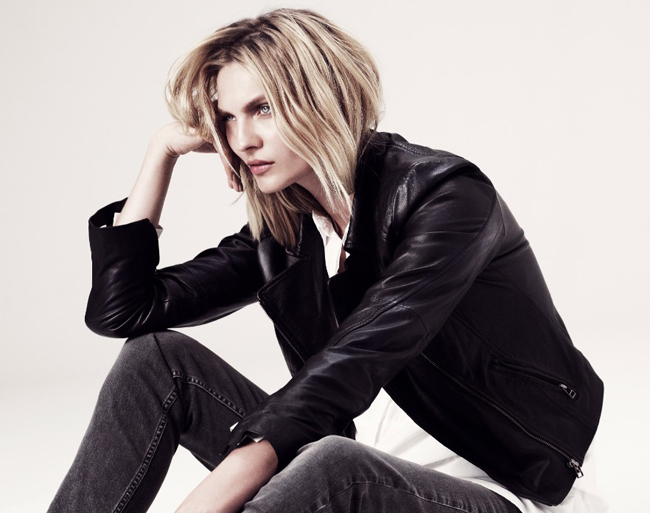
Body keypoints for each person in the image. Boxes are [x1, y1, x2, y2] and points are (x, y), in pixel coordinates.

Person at [47, 8, 605, 513]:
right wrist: (163, 150)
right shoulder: (290, 232)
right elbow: (123, 311)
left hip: (508, 488)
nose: (242, 140)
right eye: (227, 118)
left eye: (262, 108)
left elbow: (352, 364)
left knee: (332, 463)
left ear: (321, 96)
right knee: (155, 361)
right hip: (370, 476)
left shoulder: (445, 198)